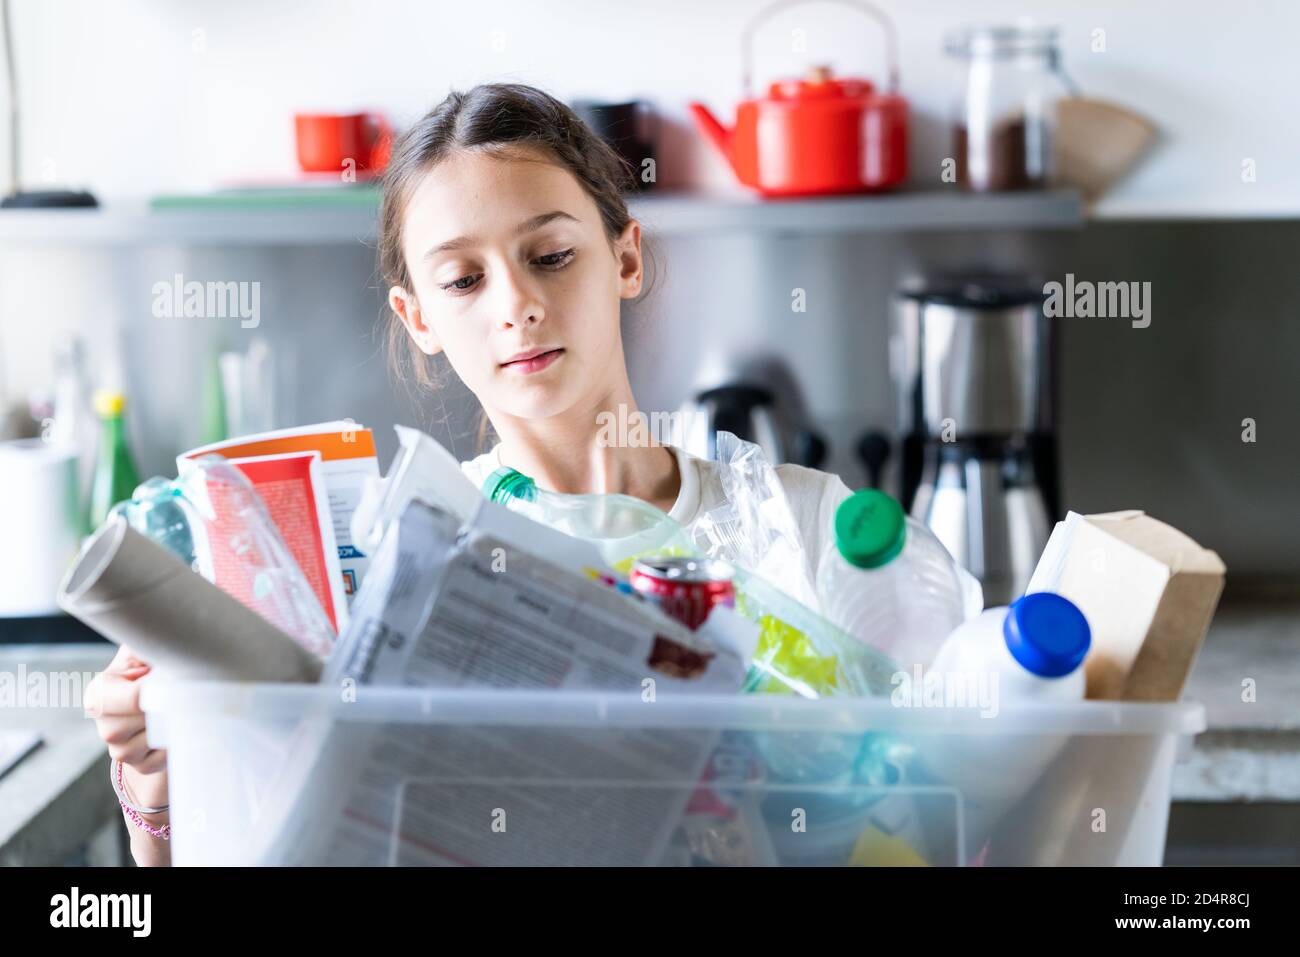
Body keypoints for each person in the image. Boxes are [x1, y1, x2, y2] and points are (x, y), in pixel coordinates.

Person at [88, 82, 853, 866]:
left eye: (551, 256)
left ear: (625, 256)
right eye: (461, 280)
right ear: (418, 317)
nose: (517, 303)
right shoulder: (385, 566)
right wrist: (159, 789)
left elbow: (944, 795)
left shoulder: (807, 525)